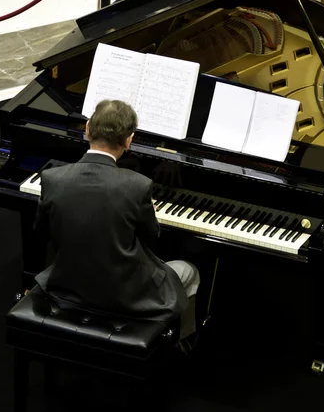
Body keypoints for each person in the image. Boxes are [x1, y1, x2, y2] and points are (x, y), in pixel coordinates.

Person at [33, 99, 200, 345]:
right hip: (126, 298)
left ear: (87, 128)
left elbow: (41, 232)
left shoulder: (52, 179)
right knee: (190, 271)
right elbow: (151, 238)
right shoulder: (137, 186)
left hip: (67, 287)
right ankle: (177, 345)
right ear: (129, 140)